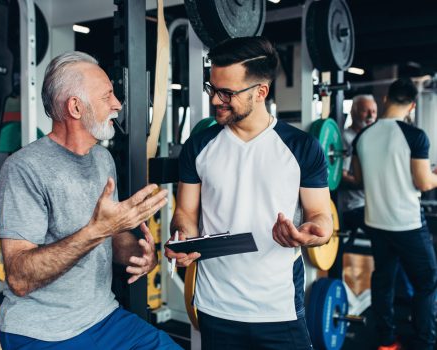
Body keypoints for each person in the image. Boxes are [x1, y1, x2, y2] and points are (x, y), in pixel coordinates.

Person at [0, 51, 180, 349]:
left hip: (104, 318)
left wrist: (139, 255)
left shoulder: (102, 159)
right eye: (107, 95)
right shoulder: (24, 169)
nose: (117, 104)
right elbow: (19, 278)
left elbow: (114, 234)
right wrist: (98, 231)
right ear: (76, 107)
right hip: (42, 332)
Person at [164, 37, 333, 350]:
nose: (215, 100)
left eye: (227, 93)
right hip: (216, 305)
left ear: (261, 92)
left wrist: (313, 233)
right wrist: (182, 236)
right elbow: (186, 213)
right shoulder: (199, 146)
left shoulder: (301, 148)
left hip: (277, 305)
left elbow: (321, 217)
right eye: (211, 88)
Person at [352, 78, 437, 350]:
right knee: (426, 282)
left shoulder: (363, 136)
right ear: (412, 105)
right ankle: (424, 342)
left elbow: (360, 179)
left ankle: (386, 340)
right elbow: (424, 183)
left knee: (384, 280)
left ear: (386, 98)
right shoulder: (415, 135)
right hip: (407, 224)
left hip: (376, 222)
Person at [340, 94, 377, 232]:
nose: (370, 116)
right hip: (354, 205)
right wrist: (366, 184)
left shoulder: (374, 137)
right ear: (353, 113)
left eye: (373, 111)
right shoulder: (346, 138)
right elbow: (340, 176)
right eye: (364, 111)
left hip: (373, 204)